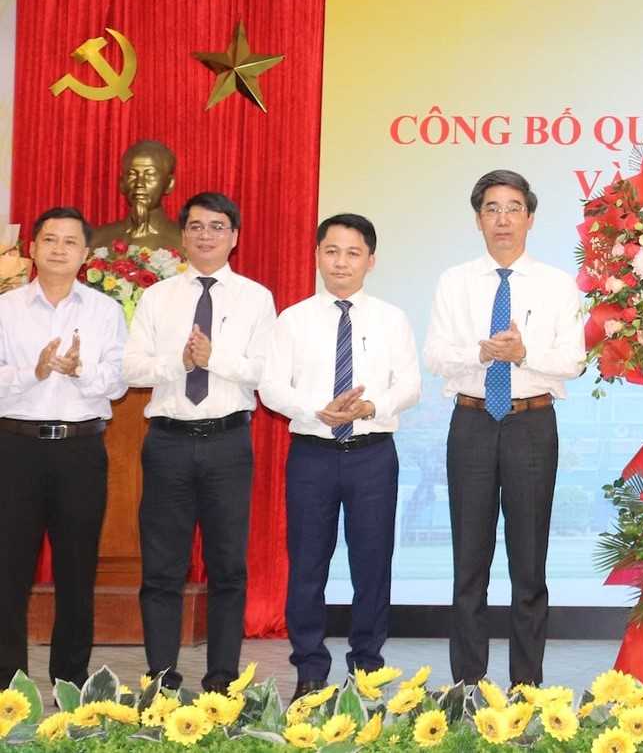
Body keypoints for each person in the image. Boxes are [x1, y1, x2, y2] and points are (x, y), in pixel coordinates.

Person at [422, 169, 584, 686]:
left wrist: (523, 353)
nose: (503, 219)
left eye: (513, 208)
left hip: (530, 425)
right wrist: (481, 351)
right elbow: (435, 355)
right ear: (477, 219)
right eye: (491, 209)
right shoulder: (455, 281)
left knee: (529, 562)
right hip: (470, 422)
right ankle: (467, 686)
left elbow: (574, 360)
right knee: (469, 562)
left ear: (530, 218)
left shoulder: (557, 284)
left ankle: (526, 687)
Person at [259, 213, 420, 700]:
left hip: (372, 454)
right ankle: (309, 667)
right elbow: (270, 387)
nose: (341, 262)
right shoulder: (293, 319)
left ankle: (367, 666)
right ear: (317, 256)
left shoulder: (391, 318)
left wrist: (374, 406)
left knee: (373, 564)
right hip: (312, 455)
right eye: (332, 251)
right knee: (307, 564)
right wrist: (315, 410)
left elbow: (409, 384)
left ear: (371, 260)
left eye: (353, 253)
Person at [124, 192, 275, 693]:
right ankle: (161, 678)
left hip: (227, 443)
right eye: (195, 226)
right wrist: (181, 364)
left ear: (234, 235)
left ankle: (221, 681)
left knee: (228, 567)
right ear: (183, 234)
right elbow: (132, 369)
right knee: (162, 568)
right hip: (166, 443)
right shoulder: (157, 296)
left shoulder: (256, 298)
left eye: (216, 226)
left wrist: (213, 359)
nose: (205, 235)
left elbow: (262, 371)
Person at [0, 207, 127, 686]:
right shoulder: (5, 309)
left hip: (79, 451)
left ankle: (69, 686)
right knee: (8, 572)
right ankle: (8, 690)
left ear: (85, 254)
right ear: (31, 249)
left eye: (70, 242)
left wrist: (78, 370)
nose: (58, 249)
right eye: (49, 240)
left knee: (77, 574)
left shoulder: (105, 311)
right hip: (16, 450)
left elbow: (116, 384)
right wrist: (31, 371)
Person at [90, 140, 184, 254]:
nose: (139, 183)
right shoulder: (96, 239)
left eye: (149, 175)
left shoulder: (186, 241)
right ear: (122, 183)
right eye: (132, 175)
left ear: (169, 184)